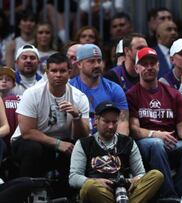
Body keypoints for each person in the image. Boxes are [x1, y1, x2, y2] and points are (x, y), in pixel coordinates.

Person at [127, 47, 182, 199]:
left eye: (152, 63)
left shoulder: (173, 94)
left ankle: (174, 194)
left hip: (171, 141)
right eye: (144, 64)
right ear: (137, 68)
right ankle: (169, 196)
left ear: (158, 66)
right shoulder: (131, 94)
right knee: (156, 144)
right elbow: (134, 129)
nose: (149, 67)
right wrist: (156, 134)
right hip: (145, 142)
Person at [10, 53, 89, 186]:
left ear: (69, 73)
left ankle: (67, 195)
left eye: (62, 71)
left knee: (78, 148)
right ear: (46, 73)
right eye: (54, 71)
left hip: (62, 141)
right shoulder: (32, 94)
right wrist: (58, 144)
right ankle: (25, 191)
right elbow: (27, 132)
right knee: (34, 148)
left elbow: (83, 136)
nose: (58, 75)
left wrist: (77, 116)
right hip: (28, 141)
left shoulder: (79, 97)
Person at [69, 101, 164, 203]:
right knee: (88, 187)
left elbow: (140, 174)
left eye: (114, 122)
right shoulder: (84, 143)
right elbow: (73, 178)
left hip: (125, 191)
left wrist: (131, 181)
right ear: (96, 120)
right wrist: (94, 181)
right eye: (106, 121)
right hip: (100, 192)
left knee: (156, 175)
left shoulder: (128, 142)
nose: (111, 126)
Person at [70, 44, 129, 135]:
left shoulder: (114, 89)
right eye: (91, 61)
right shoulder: (70, 88)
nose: (97, 65)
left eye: (99, 61)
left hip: (109, 139)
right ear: (79, 64)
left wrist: (117, 146)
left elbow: (122, 122)